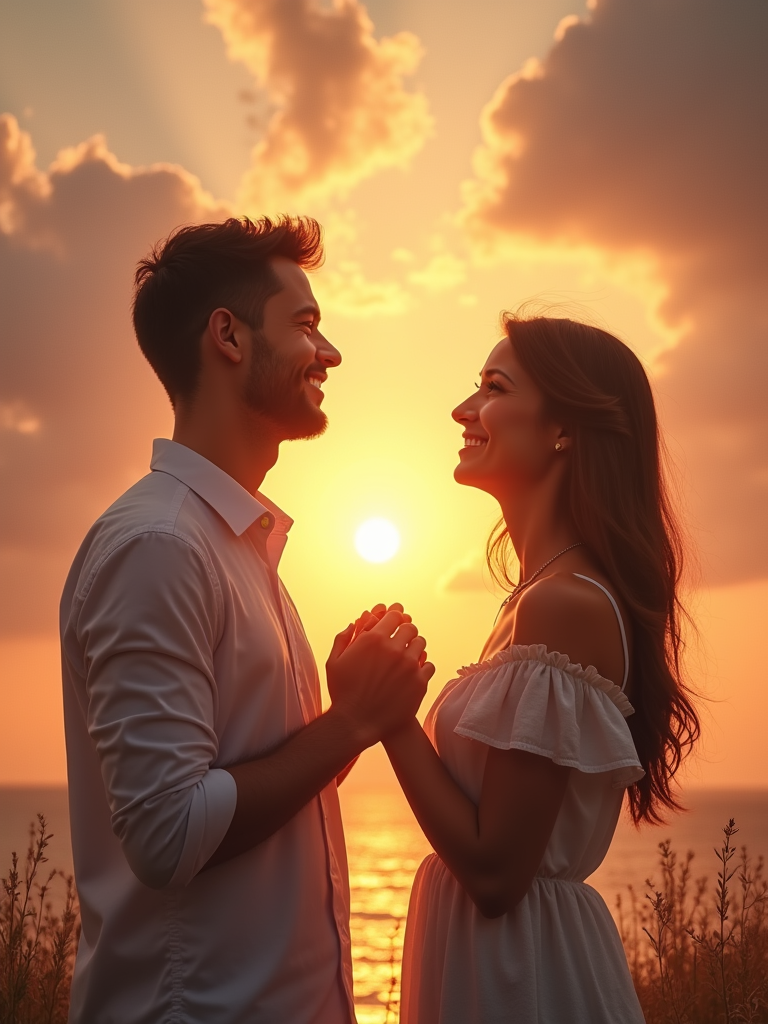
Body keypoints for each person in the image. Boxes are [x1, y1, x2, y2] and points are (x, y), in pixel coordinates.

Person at [59, 215, 434, 1023]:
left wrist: (342, 714)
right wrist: (352, 724)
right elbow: (168, 834)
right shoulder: (159, 547)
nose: (329, 354)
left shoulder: (238, 546)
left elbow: (256, 782)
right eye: (305, 324)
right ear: (227, 337)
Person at [380, 315, 700, 1023]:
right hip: (499, 961)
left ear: (565, 429)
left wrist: (391, 718)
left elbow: (496, 873)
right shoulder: (532, 601)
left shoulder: (564, 605)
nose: (464, 410)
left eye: (494, 388)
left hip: (523, 977)